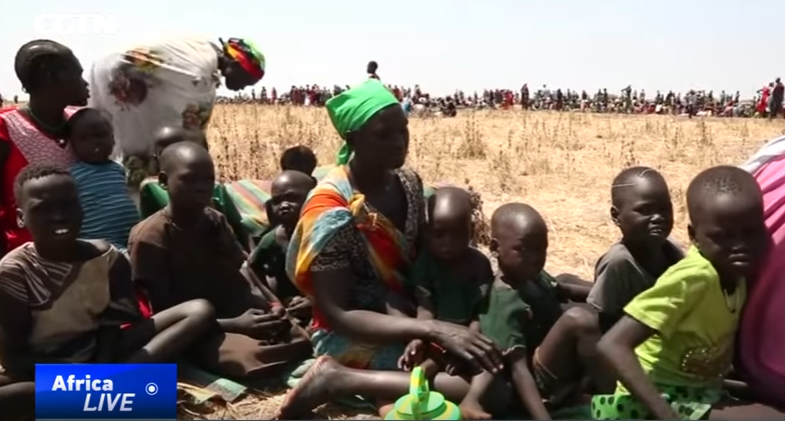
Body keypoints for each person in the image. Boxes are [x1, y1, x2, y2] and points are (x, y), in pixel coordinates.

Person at [275, 79, 503, 419]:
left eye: (403, 130)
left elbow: (423, 262)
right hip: (353, 330)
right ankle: (336, 378)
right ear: (351, 139)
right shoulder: (331, 209)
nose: (399, 142)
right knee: (466, 387)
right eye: (384, 134)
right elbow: (339, 313)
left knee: (491, 361)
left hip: (411, 310)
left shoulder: (408, 183)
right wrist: (431, 330)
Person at [0, 164, 214, 420]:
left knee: (199, 310)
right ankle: (122, 395)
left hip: (100, 352)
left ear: (81, 207)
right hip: (46, 367)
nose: (59, 216)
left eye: (68, 204)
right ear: (21, 217)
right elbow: (14, 359)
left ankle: (101, 395)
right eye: (42, 208)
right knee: (16, 395)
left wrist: (101, 367)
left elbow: (110, 326)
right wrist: (80, 374)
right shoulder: (13, 272)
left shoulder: (107, 258)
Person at [593, 166, 785, 419]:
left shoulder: (735, 272)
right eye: (723, 237)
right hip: (658, 398)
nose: (740, 246)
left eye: (750, 233)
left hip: (701, 389)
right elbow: (612, 344)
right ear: (694, 236)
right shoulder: (693, 278)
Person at [128, 142, 311, 379]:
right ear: (164, 181)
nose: (201, 187)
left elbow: (242, 268)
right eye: (190, 180)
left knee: (295, 336)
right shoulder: (150, 237)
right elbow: (161, 313)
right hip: (195, 325)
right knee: (243, 358)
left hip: (230, 307)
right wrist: (235, 324)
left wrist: (270, 306)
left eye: (207, 180)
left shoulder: (214, 220)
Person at [469, 203, 604, 419]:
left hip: (551, 356)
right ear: (495, 248)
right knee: (578, 319)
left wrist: (611, 297)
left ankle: (597, 377)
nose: (535, 257)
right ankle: (613, 391)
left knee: (589, 298)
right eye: (523, 248)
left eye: (541, 248)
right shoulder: (505, 301)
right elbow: (518, 371)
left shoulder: (531, 275)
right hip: (541, 383)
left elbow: (564, 289)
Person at [88, 36, 265, 189]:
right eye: (247, 80)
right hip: (121, 76)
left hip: (105, 70)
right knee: (138, 150)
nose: (243, 88)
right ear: (235, 64)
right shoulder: (200, 71)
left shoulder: (201, 48)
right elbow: (188, 124)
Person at [0, 40, 90, 256]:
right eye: (77, 74)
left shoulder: (84, 127)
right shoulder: (6, 129)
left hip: (83, 252)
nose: (85, 83)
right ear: (53, 77)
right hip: (26, 260)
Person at [398, 187, 494, 380]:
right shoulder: (425, 264)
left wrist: (467, 345)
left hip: (472, 331)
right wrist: (418, 339)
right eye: (439, 234)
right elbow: (426, 308)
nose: (447, 243)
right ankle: (424, 369)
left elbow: (481, 313)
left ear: (471, 232)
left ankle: (432, 369)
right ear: (426, 232)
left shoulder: (479, 265)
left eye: (457, 234)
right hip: (436, 333)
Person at [588, 167, 683, 333]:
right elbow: (604, 321)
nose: (658, 218)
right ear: (616, 216)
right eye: (645, 210)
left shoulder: (671, 250)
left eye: (664, 209)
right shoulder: (619, 262)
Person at [138, 126, 249, 251]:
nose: (176, 154)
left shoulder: (216, 188)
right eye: (166, 151)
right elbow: (146, 224)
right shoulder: (151, 188)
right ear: (156, 157)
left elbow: (239, 227)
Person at [67, 108, 139, 252]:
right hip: (99, 243)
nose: (95, 142)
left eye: (101, 135)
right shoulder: (72, 175)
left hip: (131, 238)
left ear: (113, 139)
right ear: (73, 145)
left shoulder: (118, 169)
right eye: (84, 138)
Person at [248, 170, 316, 322]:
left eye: (292, 198)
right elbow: (252, 266)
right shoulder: (273, 239)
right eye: (277, 201)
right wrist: (275, 301)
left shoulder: (324, 232)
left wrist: (315, 301)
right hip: (293, 307)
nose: (284, 205)